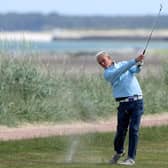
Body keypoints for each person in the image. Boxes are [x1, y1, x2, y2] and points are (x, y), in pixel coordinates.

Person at [96, 51, 144, 166]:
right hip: (123, 104)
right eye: (100, 63)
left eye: (103, 60)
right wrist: (134, 60)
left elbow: (135, 70)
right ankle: (119, 151)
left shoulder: (123, 63)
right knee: (121, 131)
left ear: (109, 58)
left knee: (134, 130)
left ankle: (131, 158)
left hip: (137, 101)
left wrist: (139, 64)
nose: (102, 64)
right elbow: (120, 71)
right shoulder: (107, 74)